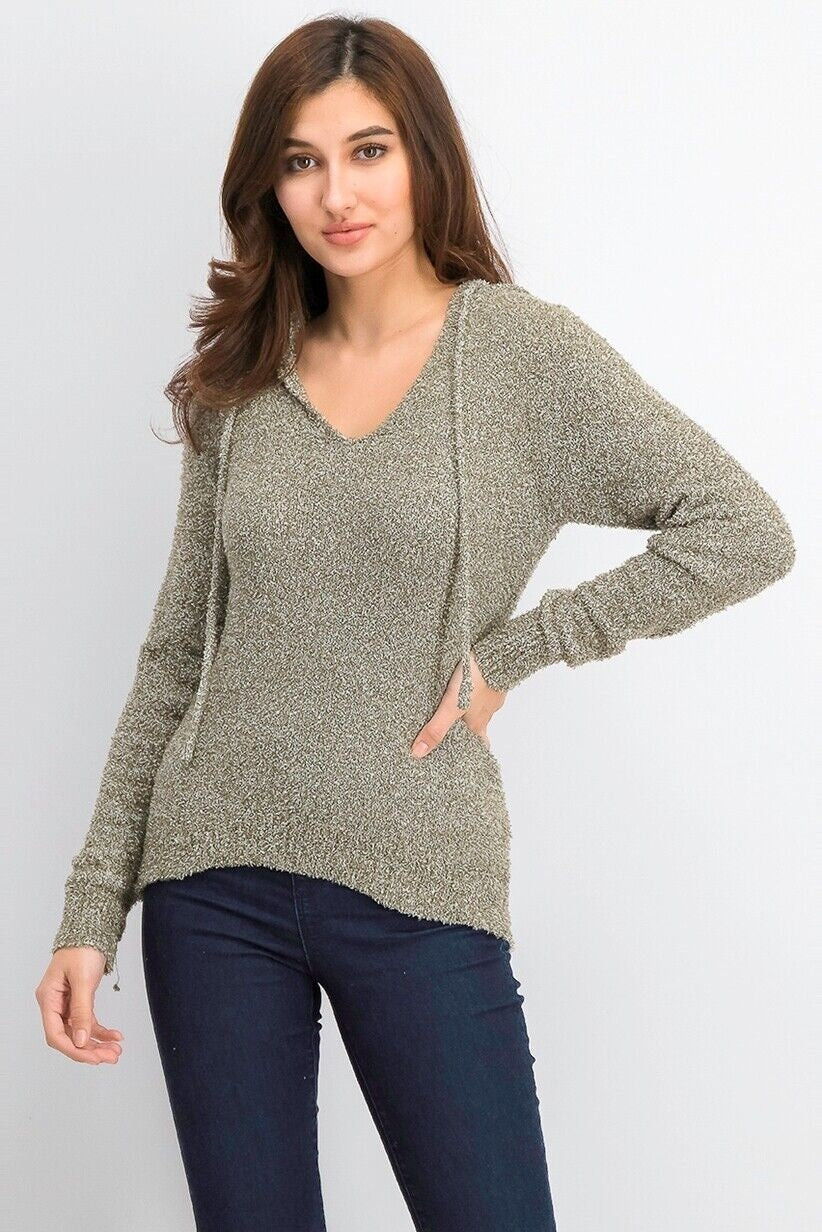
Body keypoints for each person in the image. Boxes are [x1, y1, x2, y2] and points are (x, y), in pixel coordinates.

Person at [35, 16, 795, 1232]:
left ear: (424, 153)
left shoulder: (521, 356)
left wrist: (519, 650)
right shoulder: (244, 373)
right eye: (301, 161)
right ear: (268, 185)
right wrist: (91, 907)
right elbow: (177, 652)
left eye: (368, 150)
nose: (337, 194)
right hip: (209, 886)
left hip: (419, 882)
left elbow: (742, 528)